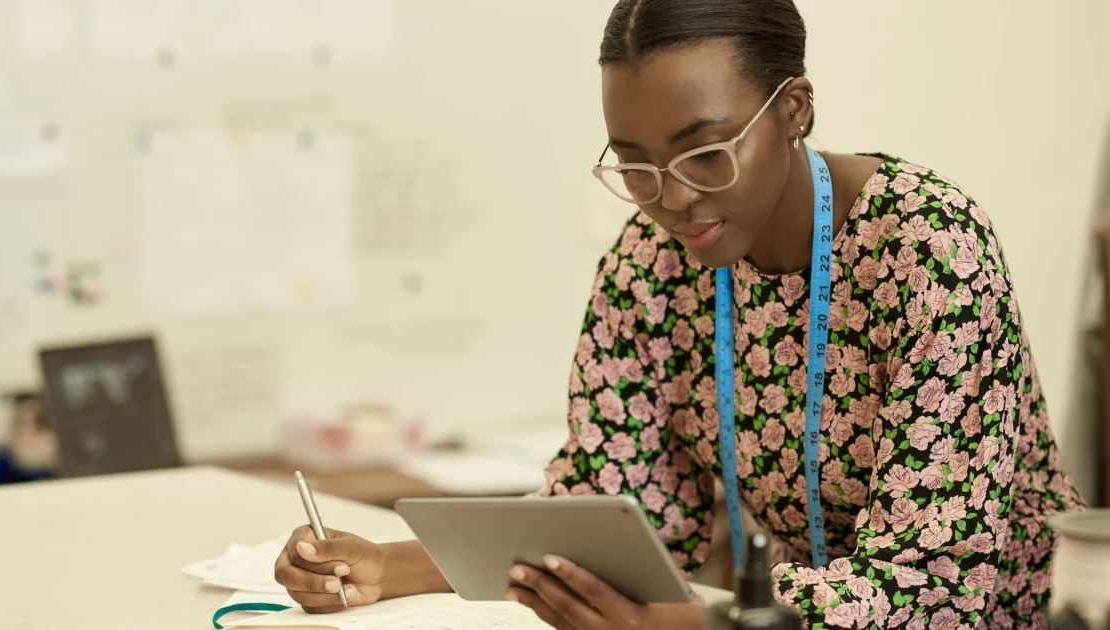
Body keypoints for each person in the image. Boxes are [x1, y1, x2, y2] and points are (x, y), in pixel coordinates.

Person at [274, 1, 1087, 628]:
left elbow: (936, 586)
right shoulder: (653, 263)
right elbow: (604, 511)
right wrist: (384, 566)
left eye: (705, 152)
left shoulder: (930, 248)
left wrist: (703, 622)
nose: (674, 197)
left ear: (795, 108)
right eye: (635, 165)